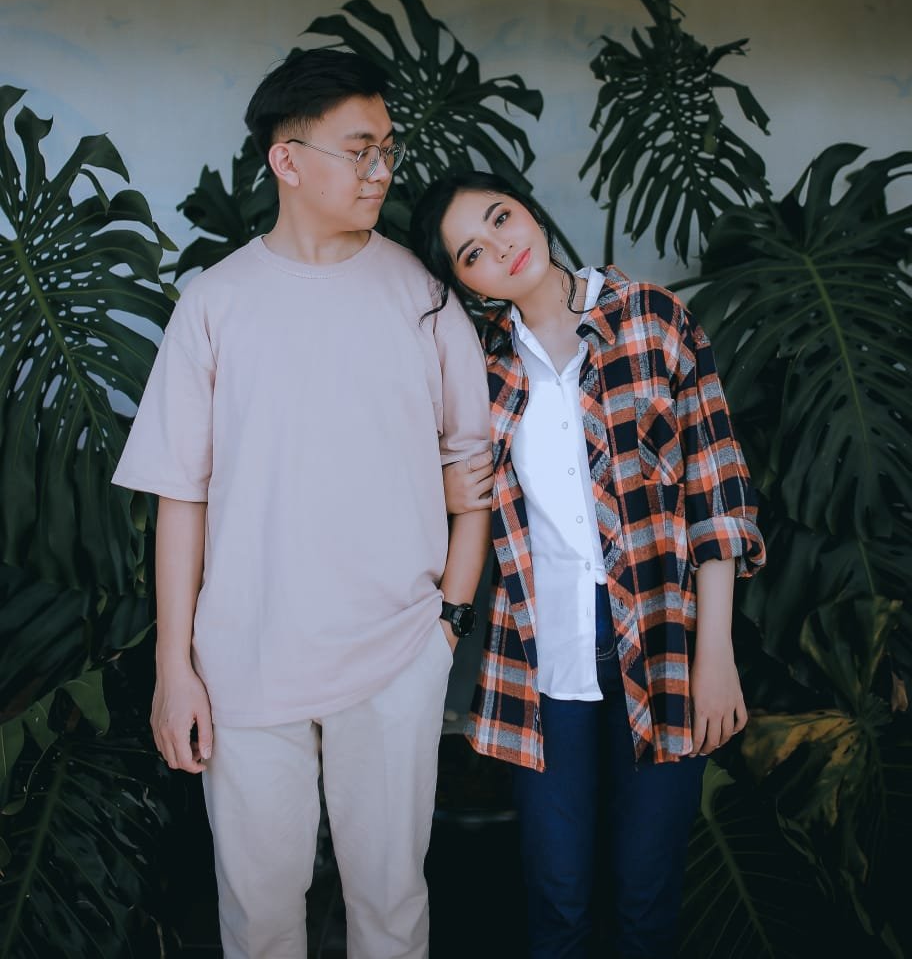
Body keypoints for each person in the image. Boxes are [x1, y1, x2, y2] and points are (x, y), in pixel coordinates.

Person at [112, 51, 492, 959]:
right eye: (359, 151)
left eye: (388, 149)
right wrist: (174, 666)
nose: (381, 170)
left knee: (391, 906)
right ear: (287, 160)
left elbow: (473, 476)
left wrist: (448, 623)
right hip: (245, 661)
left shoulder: (426, 301)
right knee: (259, 915)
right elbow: (181, 497)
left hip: (396, 654)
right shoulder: (215, 304)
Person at [410, 170, 767, 959]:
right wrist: (444, 485)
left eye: (501, 217)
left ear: (529, 209)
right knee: (557, 903)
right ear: (465, 284)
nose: (500, 245)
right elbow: (426, 475)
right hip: (545, 662)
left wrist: (715, 655)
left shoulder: (653, 317)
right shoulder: (482, 368)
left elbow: (716, 495)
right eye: (471, 252)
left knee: (645, 904)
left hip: (666, 645)